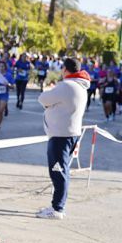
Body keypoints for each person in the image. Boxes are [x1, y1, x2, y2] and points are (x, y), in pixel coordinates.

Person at [37, 58, 90, 220]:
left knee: (58, 172)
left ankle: (57, 208)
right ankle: (57, 205)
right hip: (69, 133)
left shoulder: (67, 85)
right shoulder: (80, 86)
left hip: (61, 135)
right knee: (62, 171)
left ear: (66, 69)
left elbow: (43, 99)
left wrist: (50, 101)